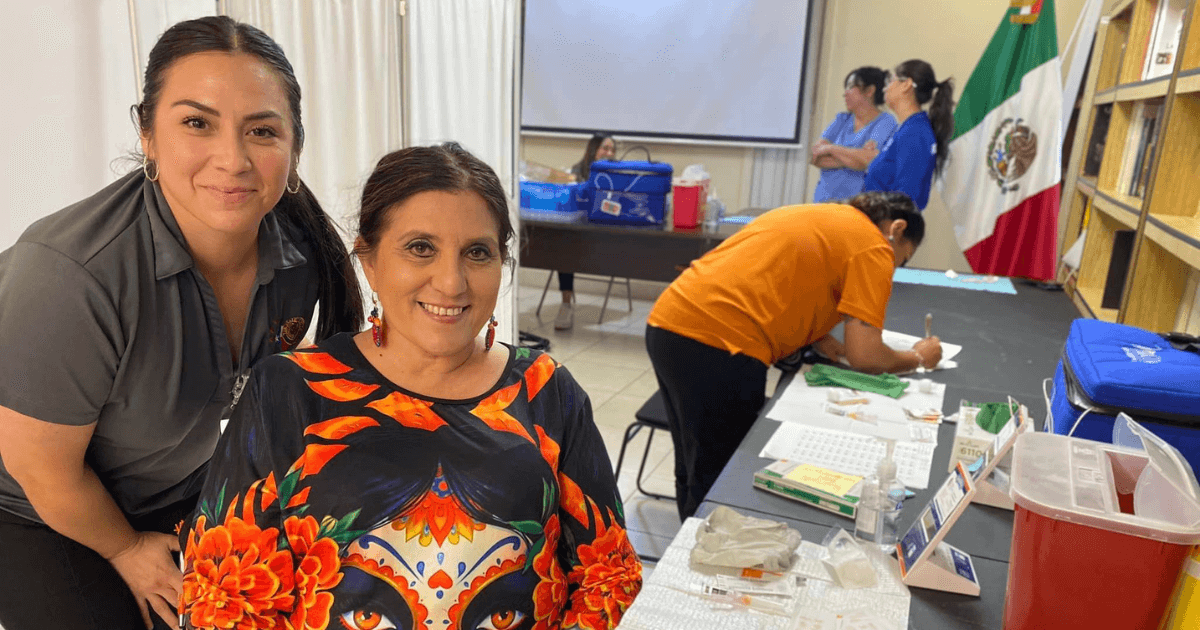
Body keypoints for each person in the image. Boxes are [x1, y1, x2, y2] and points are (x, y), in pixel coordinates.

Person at [178, 143, 642, 630]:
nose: (451, 282)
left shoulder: (547, 392)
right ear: (370, 260)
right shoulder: (290, 392)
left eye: (477, 253)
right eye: (421, 248)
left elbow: (608, 578)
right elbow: (223, 602)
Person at [0, 16, 363, 630]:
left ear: (295, 146)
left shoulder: (299, 253)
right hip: (33, 508)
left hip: (169, 488)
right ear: (147, 133)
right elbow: (42, 469)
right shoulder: (71, 276)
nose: (234, 158)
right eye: (197, 123)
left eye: (262, 130)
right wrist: (124, 548)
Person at [645, 191, 943, 519]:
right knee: (720, 475)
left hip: (669, 324)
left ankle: (689, 541)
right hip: (720, 344)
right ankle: (705, 550)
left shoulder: (825, 216)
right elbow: (866, 356)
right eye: (902, 258)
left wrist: (816, 335)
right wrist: (917, 357)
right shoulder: (873, 244)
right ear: (897, 229)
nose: (895, 267)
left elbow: (779, 279)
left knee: (692, 462)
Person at [863, 59, 955, 210]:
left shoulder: (915, 133)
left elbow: (905, 200)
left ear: (906, 84)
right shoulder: (907, 129)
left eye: (891, 80)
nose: (886, 88)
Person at [553, 133, 616, 331]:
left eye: (613, 150)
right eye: (605, 148)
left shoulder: (617, 174)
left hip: (608, 232)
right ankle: (566, 303)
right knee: (564, 250)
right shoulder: (576, 172)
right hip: (579, 231)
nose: (610, 153)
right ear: (593, 150)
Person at [812, 67, 897, 202]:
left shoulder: (886, 122)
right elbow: (815, 156)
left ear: (869, 90)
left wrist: (831, 149)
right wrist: (856, 158)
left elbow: (869, 160)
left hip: (858, 204)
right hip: (824, 201)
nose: (845, 93)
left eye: (851, 87)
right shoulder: (841, 120)